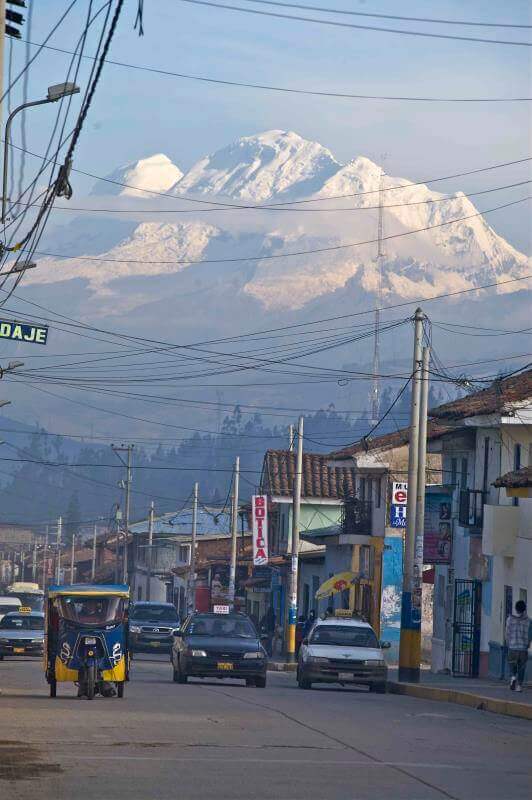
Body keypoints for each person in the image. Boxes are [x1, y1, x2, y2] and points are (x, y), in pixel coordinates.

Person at [505, 600, 532, 692]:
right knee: (521, 667)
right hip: (523, 649)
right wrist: (527, 644)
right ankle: (519, 686)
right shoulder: (529, 621)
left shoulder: (509, 619)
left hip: (512, 647)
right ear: (524, 609)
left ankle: (513, 677)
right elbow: (530, 635)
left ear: (516, 609)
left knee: (511, 664)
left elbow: (507, 633)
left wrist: (508, 643)